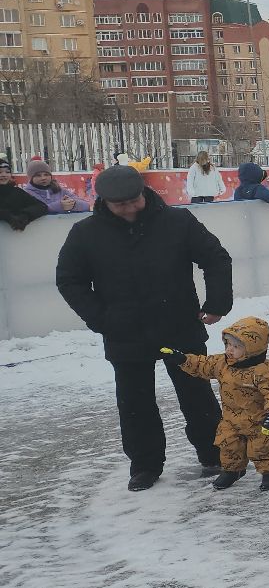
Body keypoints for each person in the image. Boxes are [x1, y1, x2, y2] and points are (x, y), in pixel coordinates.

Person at [55, 165, 233, 490]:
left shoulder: (178, 222)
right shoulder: (85, 234)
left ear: (143, 194)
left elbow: (216, 258)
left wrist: (217, 304)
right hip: (125, 331)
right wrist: (101, 319)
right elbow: (69, 280)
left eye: (133, 200)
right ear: (104, 202)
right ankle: (145, 464)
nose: (129, 208)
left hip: (179, 325)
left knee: (196, 394)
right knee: (135, 402)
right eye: (120, 204)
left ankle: (215, 453)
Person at [161, 316, 269, 491]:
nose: (229, 350)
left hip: (258, 420)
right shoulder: (222, 363)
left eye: (236, 347)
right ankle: (232, 471)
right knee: (228, 445)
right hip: (230, 419)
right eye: (228, 344)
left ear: (252, 348)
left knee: (263, 446)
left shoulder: (263, 371)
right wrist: (182, 359)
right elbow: (202, 364)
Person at [21, 159, 89, 216]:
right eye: (38, 175)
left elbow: (86, 206)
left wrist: (73, 204)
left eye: (46, 174)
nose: (43, 178)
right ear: (31, 178)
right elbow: (30, 212)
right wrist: (59, 206)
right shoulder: (25, 194)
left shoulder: (61, 191)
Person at [0, 157, 51, 230]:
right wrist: (6, 216)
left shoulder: (17, 192)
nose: (4, 175)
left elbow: (42, 206)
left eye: (7, 172)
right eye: (0, 172)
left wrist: (26, 215)